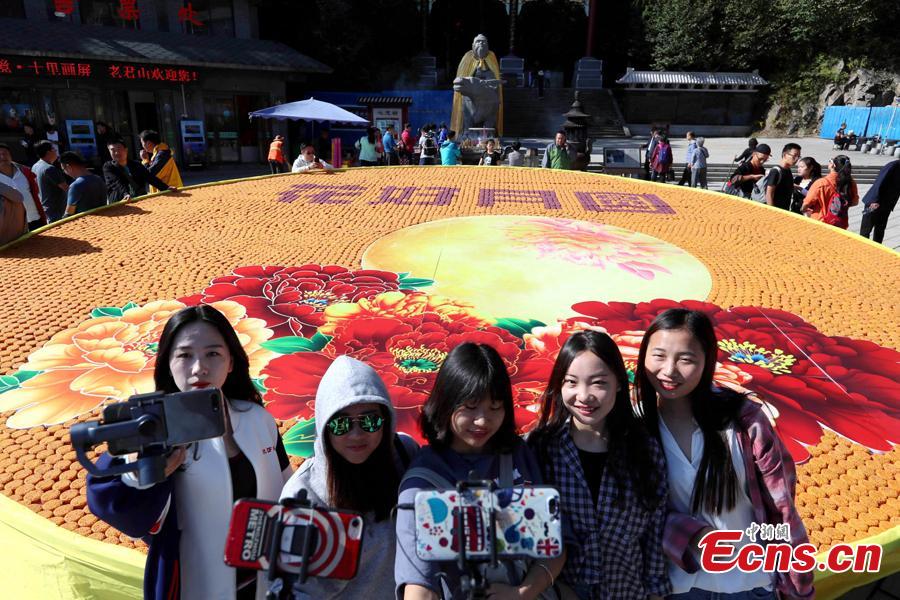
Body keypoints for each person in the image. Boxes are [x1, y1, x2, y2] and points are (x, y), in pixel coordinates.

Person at [86, 305, 294, 600]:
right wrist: (142, 472)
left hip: (267, 584)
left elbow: (288, 491)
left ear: (231, 361)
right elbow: (112, 501)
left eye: (213, 354)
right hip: (194, 586)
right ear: (167, 364)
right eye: (184, 355)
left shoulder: (257, 419)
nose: (199, 368)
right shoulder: (154, 432)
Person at [635, 309, 814, 600]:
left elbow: (781, 507)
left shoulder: (742, 420)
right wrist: (688, 534)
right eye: (658, 356)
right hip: (678, 589)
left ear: (707, 361)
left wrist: (799, 587)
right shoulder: (636, 428)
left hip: (751, 583)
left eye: (685, 359)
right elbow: (631, 513)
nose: (669, 370)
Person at [394, 343, 563, 600]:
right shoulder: (422, 484)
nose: (483, 420)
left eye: (495, 407)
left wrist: (521, 593)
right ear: (446, 402)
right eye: (470, 407)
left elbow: (555, 545)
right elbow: (419, 585)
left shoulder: (518, 453)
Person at [527, 331, 670, 599]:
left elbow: (654, 533)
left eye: (598, 383)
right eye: (571, 382)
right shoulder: (541, 447)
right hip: (559, 593)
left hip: (624, 592)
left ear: (619, 383)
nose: (584, 396)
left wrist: (656, 593)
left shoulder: (643, 450)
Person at [281, 356, 418, 599]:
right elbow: (293, 588)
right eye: (341, 424)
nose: (356, 435)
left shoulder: (405, 455)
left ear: (386, 420)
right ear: (324, 426)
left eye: (370, 421)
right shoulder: (303, 494)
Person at [103, 137, 171, 203]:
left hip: (139, 200)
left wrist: (166, 187)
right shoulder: (108, 167)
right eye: (112, 150)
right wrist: (125, 194)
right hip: (120, 202)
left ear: (126, 150)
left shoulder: (136, 164)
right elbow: (117, 182)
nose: (116, 152)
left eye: (119, 148)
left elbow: (150, 177)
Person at [802, 154, 859, 228]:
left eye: (830, 161)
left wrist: (804, 210)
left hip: (821, 221)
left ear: (833, 165)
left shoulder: (821, 182)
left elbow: (806, 204)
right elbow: (855, 202)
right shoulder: (851, 182)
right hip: (840, 223)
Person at [0, 142, 45, 230]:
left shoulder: (25, 172)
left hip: (35, 220)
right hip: (12, 227)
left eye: (5, 153)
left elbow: (35, 193)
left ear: (10, 155)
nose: (2, 157)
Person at [860, 159, 900, 244]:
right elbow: (879, 181)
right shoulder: (893, 165)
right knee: (866, 229)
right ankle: (862, 248)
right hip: (874, 202)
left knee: (880, 230)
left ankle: (877, 249)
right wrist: (875, 201)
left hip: (887, 205)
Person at [31, 140, 69, 223]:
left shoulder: (35, 166)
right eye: (54, 149)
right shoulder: (49, 169)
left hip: (46, 210)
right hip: (57, 212)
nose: (56, 151)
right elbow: (67, 189)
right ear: (48, 152)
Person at [60, 151, 107, 216]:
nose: (65, 173)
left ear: (68, 167)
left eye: (63, 169)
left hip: (85, 221)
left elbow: (68, 214)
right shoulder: (99, 179)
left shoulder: (75, 186)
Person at [763, 143, 801, 210]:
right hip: (775, 212)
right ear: (784, 155)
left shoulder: (788, 170)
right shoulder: (775, 171)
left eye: (798, 156)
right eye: (794, 156)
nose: (797, 159)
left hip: (784, 210)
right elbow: (769, 195)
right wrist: (773, 212)